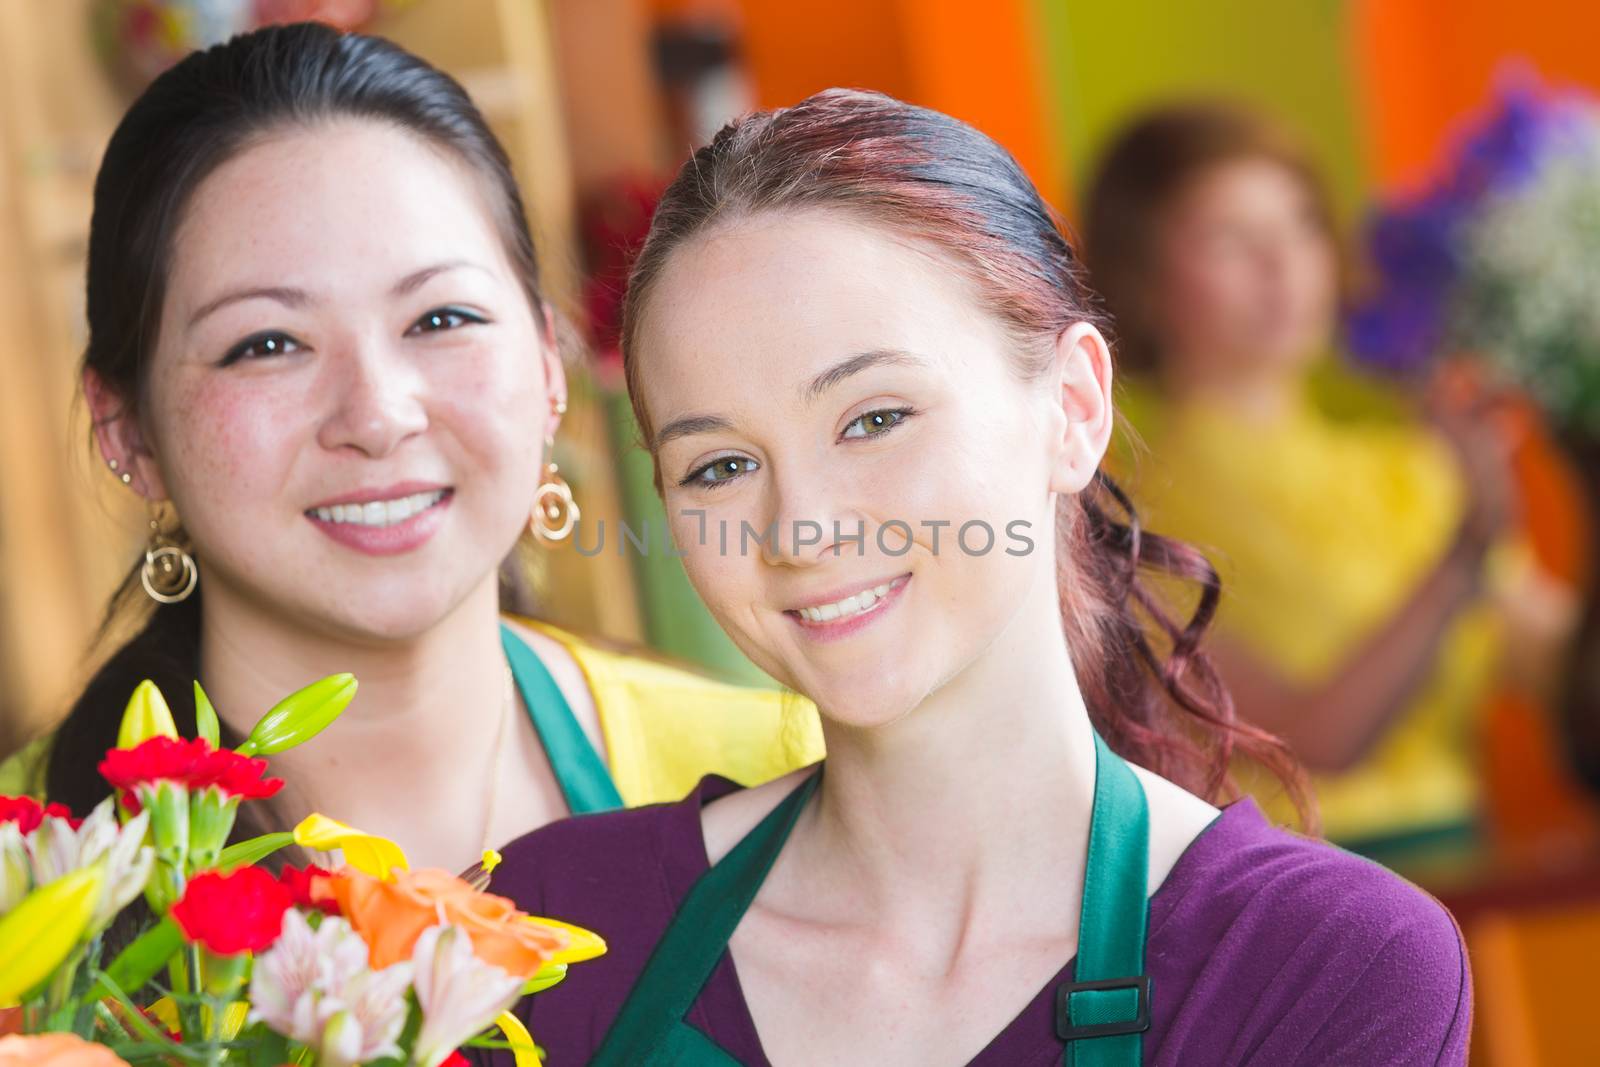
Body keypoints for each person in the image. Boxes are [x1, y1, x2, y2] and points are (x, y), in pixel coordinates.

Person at [486, 90, 1470, 1065]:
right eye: (720, 465)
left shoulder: (1320, 965)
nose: (801, 528)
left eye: (873, 419)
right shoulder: (551, 934)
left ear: (1075, 406)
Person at [0, 22, 821, 875]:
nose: (379, 416)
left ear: (548, 365)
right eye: (268, 343)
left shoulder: (782, 775)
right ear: (128, 428)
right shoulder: (27, 878)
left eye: (440, 319)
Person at [1081, 102, 1554, 859]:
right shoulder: (1115, 514)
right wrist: (1463, 557)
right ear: (1140, 278)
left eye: (1301, 224)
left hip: (1480, 880)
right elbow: (1313, 738)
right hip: (1296, 910)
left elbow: (1559, 667)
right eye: (1230, 238)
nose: (1283, 265)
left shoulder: (1415, 468)